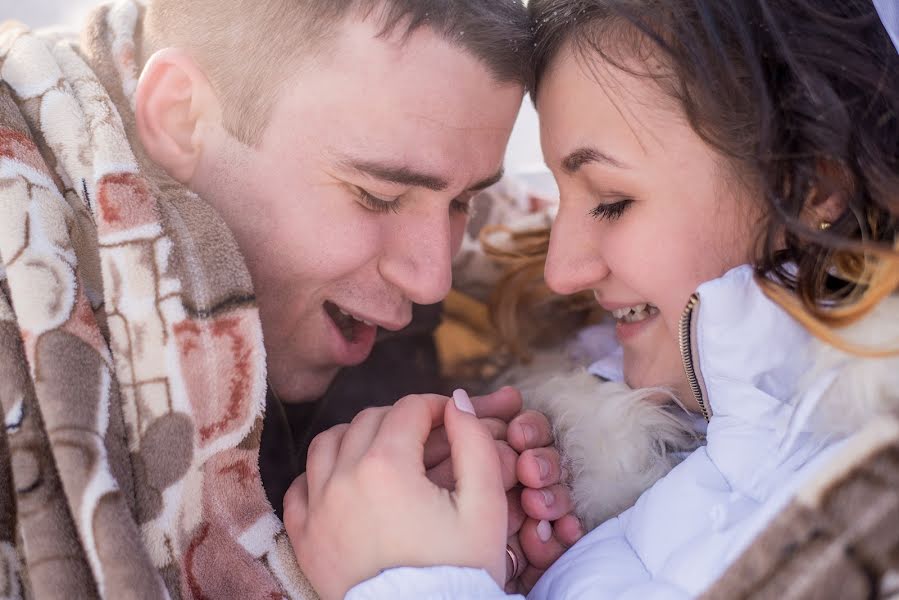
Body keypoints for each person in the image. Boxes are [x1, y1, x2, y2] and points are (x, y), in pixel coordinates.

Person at [282, 0, 899, 598]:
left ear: (812, 186)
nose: (562, 270)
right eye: (559, 198)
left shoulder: (874, 500)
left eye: (610, 200)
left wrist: (410, 580)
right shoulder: (588, 430)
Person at [0, 0, 574, 597]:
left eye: (463, 203)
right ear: (181, 117)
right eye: (377, 196)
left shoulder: (519, 299)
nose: (433, 280)